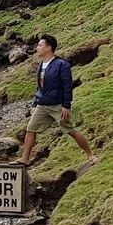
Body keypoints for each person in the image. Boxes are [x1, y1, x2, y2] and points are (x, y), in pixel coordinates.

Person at [16, 34, 98, 166]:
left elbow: (67, 85)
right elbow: (40, 87)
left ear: (49, 48)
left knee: (71, 131)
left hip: (58, 105)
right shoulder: (41, 65)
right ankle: (25, 158)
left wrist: (66, 105)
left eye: (40, 45)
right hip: (42, 105)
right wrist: (35, 103)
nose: (37, 48)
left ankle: (90, 154)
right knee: (31, 129)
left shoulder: (61, 64)